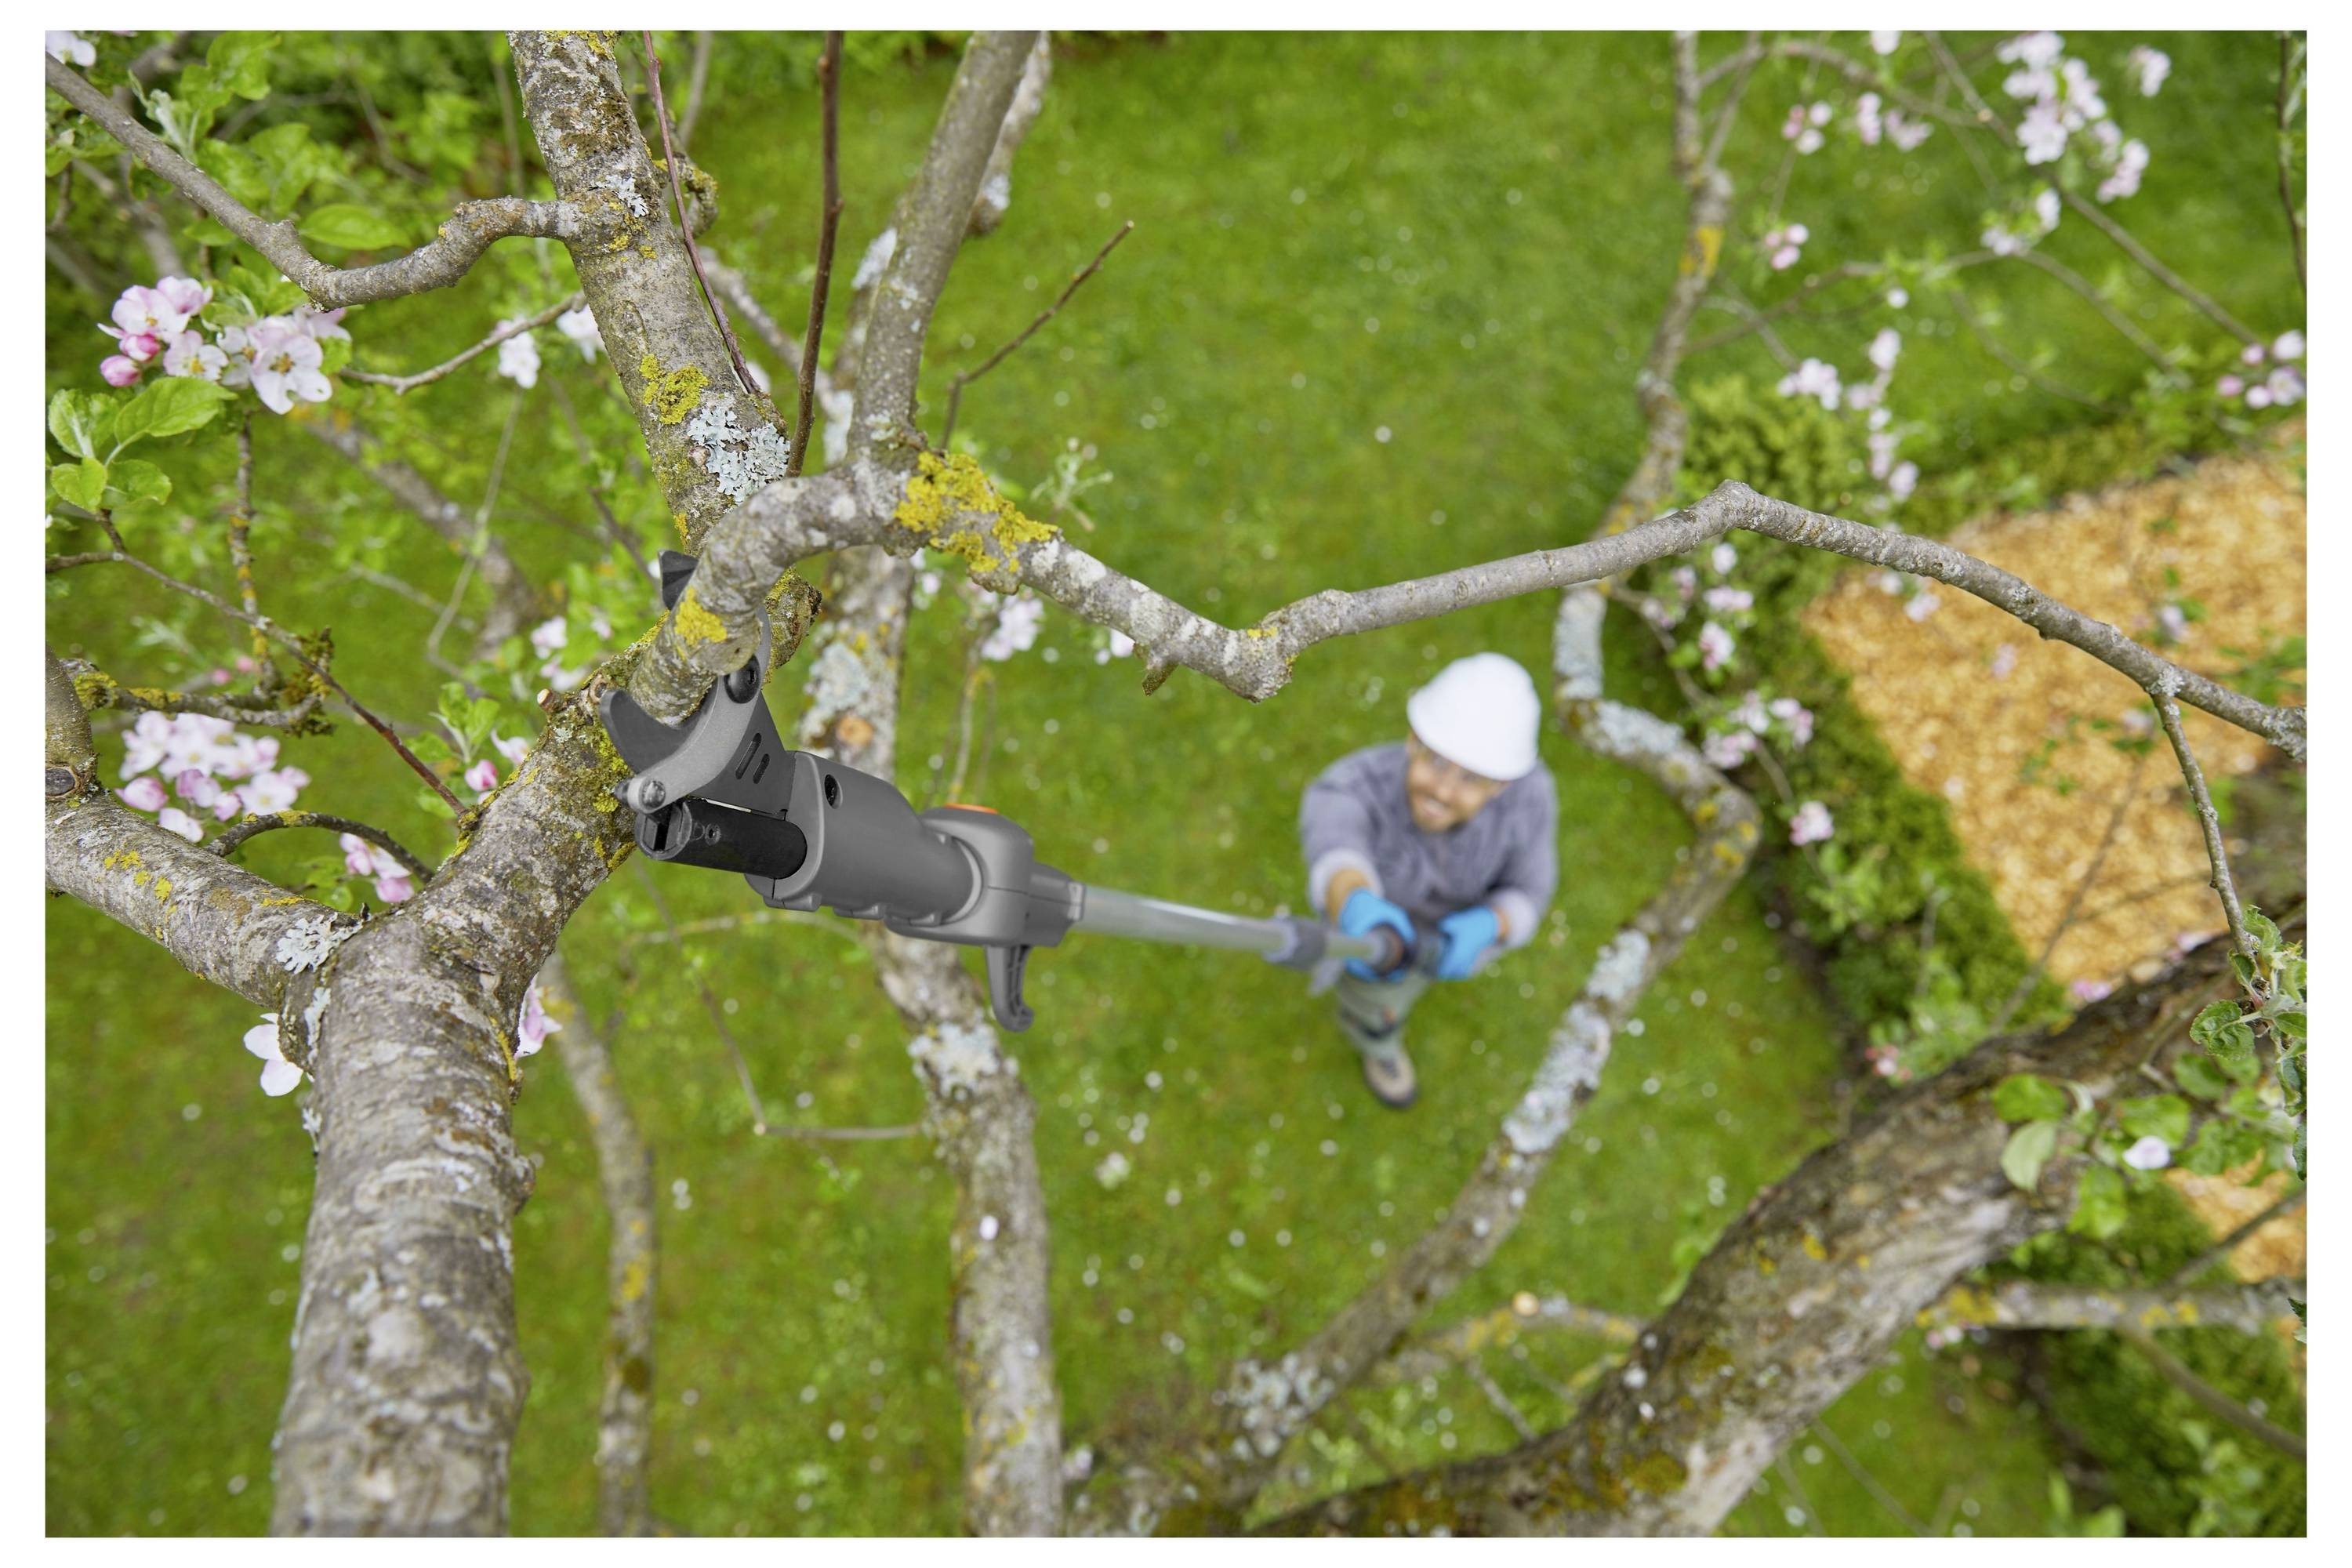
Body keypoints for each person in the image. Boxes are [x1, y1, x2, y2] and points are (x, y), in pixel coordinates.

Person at [1297, 652, 1559, 1109]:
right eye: (1435, 761)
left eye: (1471, 779)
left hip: (1453, 937)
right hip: (1372, 942)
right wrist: (1353, 902)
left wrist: (1494, 924)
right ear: (1413, 739)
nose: (1442, 790)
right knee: (1375, 1006)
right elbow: (1337, 845)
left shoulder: (1530, 801)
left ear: (1500, 786)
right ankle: (1379, 1043)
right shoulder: (1355, 784)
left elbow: (1530, 888)